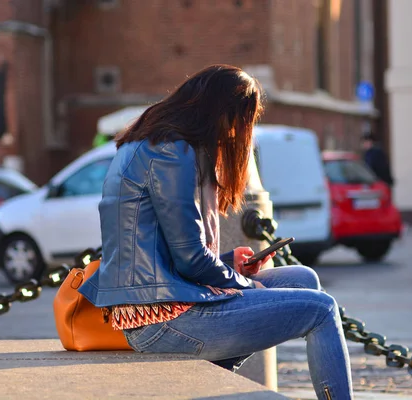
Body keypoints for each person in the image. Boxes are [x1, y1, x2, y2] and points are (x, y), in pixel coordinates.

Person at [78, 65, 353, 400]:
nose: (239, 134)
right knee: (321, 310)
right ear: (221, 113)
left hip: (163, 300)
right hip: (163, 319)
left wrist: (228, 264)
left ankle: (215, 383)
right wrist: (247, 284)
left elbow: (167, 252)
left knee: (304, 278)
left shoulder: (154, 143)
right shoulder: (170, 152)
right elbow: (190, 259)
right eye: (241, 120)